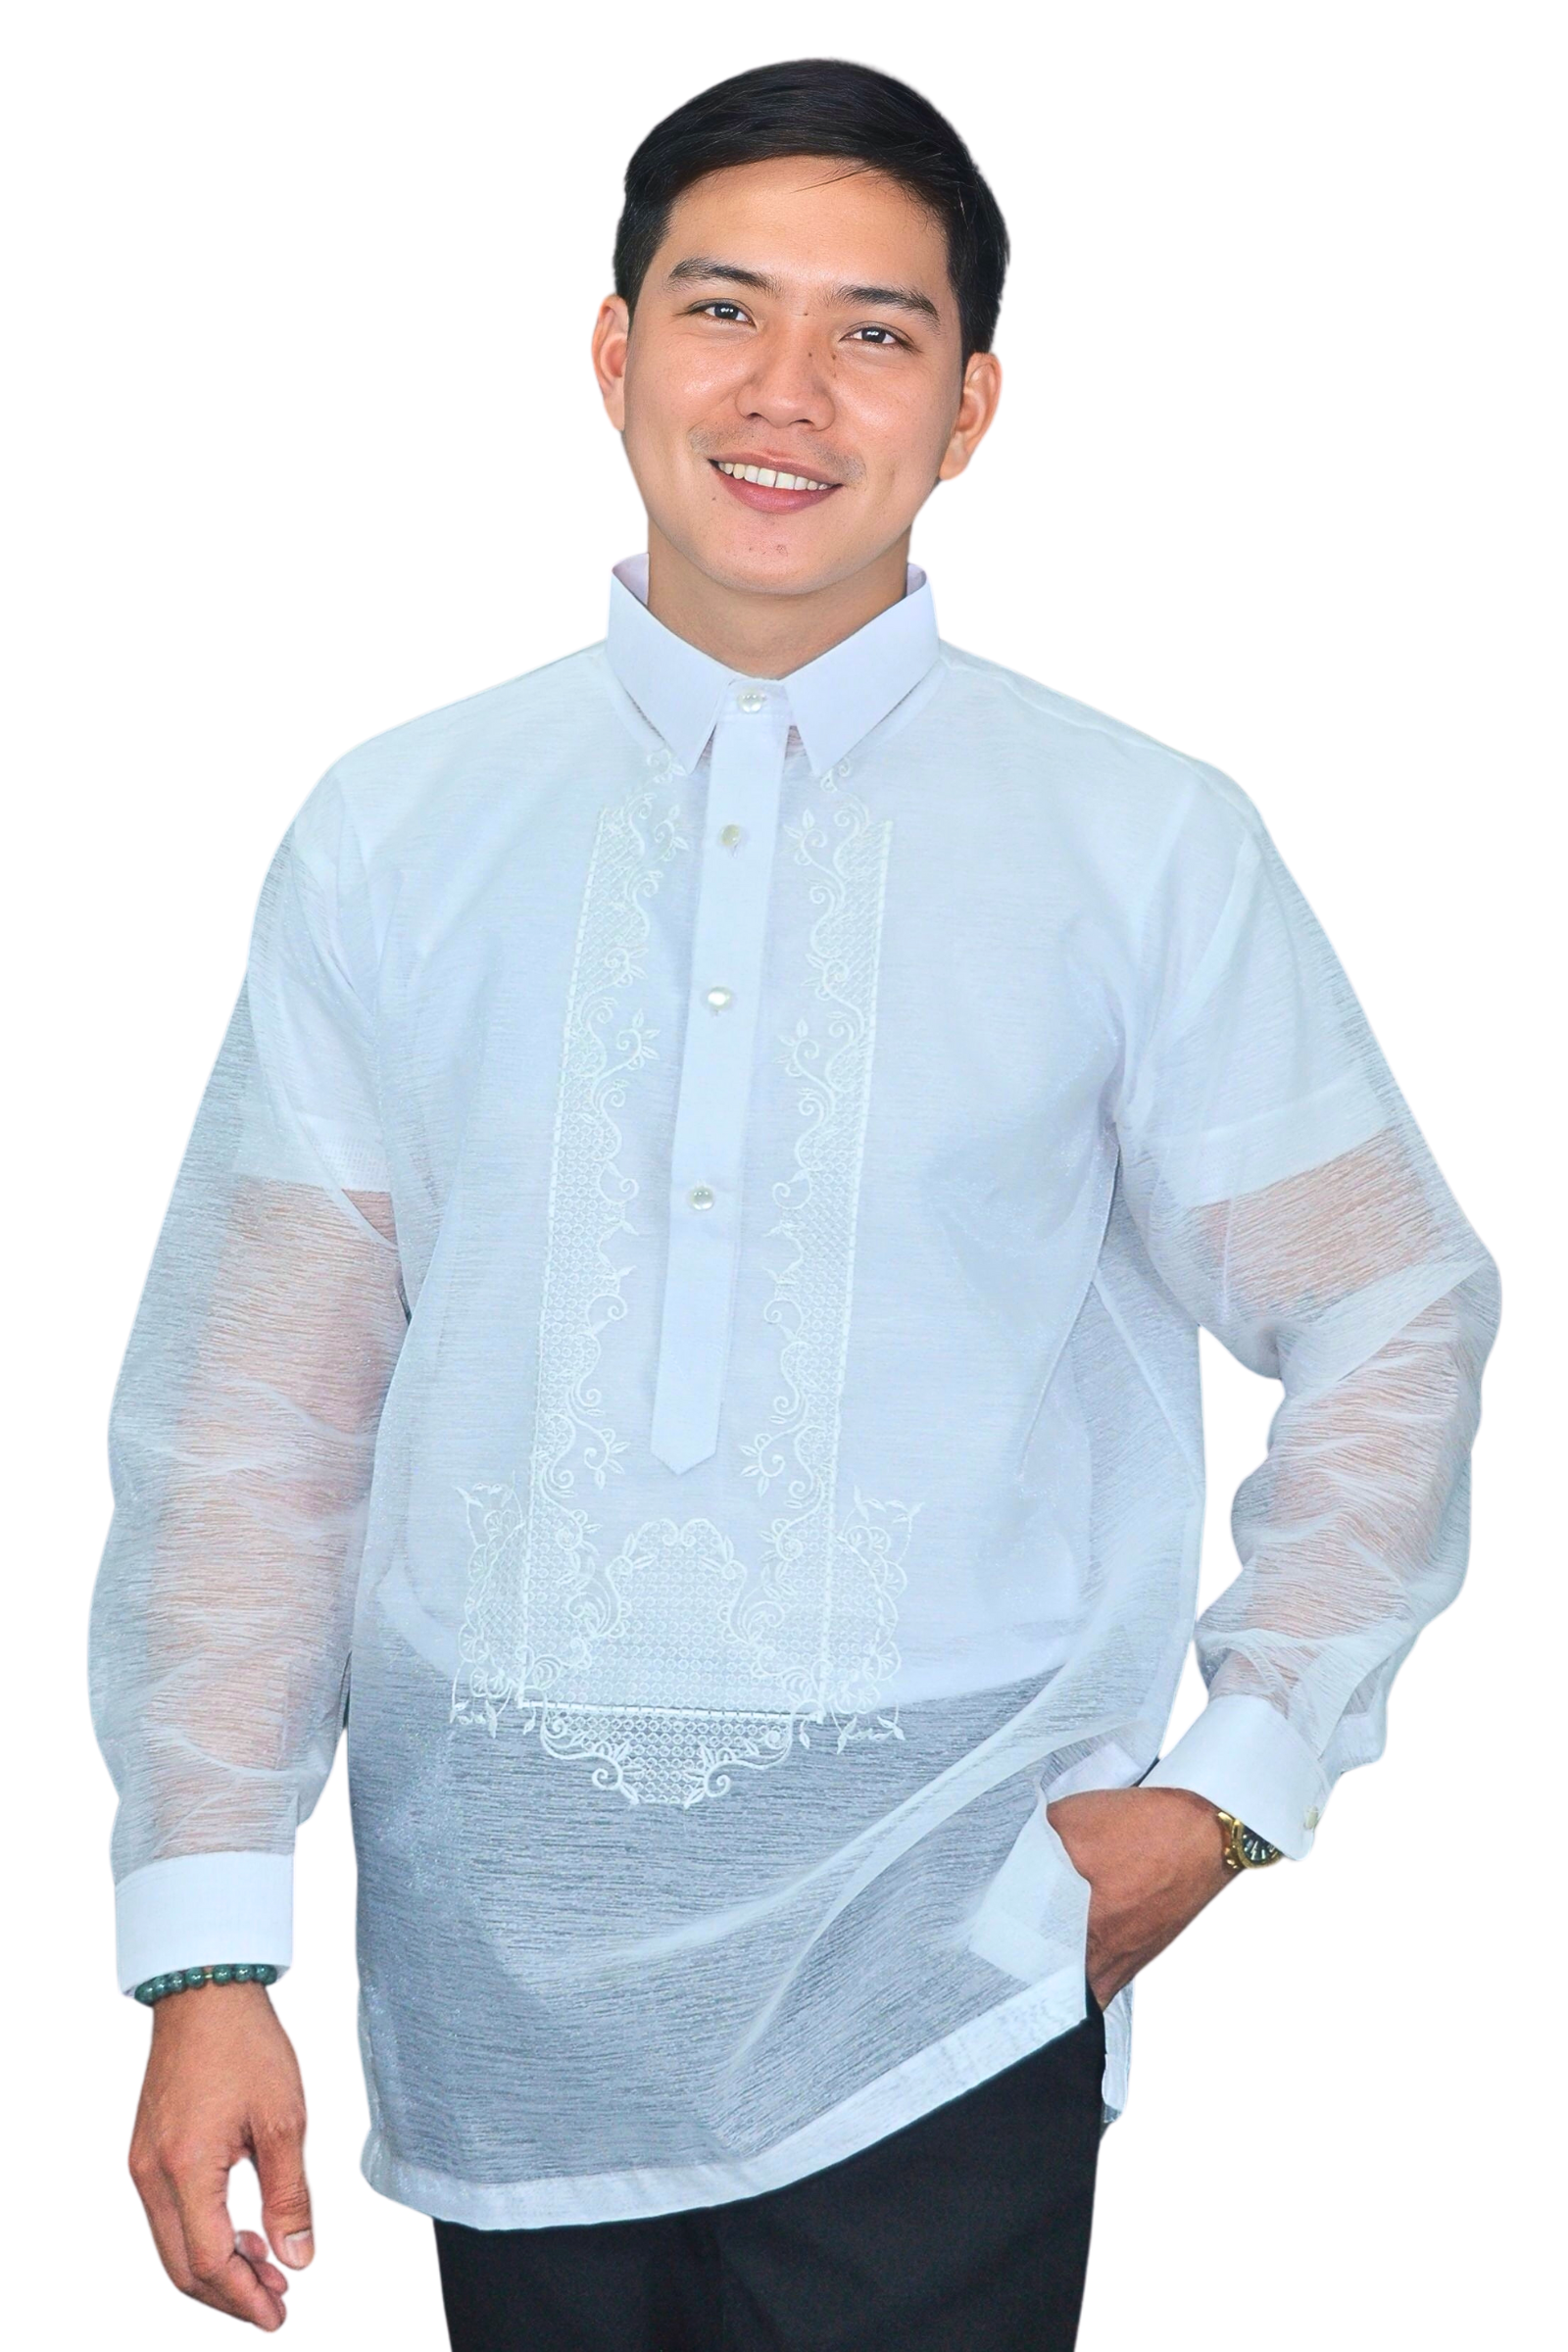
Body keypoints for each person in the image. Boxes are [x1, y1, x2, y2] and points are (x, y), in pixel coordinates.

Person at [89, 56, 1501, 2351]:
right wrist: (207, 1943)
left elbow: (1386, 1304)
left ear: (968, 407)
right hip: (503, 1974)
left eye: (874, 331)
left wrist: (1231, 1787)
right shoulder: (400, 833)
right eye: (722, 308)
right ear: (612, 348)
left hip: (951, 1957)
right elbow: (254, 1419)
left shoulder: (1133, 844)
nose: (784, 390)